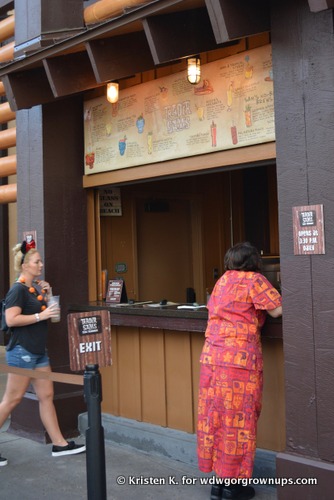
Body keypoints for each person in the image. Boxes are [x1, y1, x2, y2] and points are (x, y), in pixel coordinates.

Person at [197, 242, 282, 500]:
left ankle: (218, 484)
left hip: (212, 358)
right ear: (254, 261)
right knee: (239, 421)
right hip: (238, 361)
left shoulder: (222, 281)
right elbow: (277, 310)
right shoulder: (254, 280)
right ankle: (233, 487)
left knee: (216, 418)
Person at [0, 242, 86, 466]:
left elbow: (47, 313)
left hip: (38, 352)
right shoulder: (17, 290)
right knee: (12, 400)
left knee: (46, 396)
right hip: (22, 352)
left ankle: (59, 444)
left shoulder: (36, 287)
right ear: (25, 265)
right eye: (37, 261)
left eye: (40, 261)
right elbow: (11, 320)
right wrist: (42, 315)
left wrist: (47, 295)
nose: (41, 264)